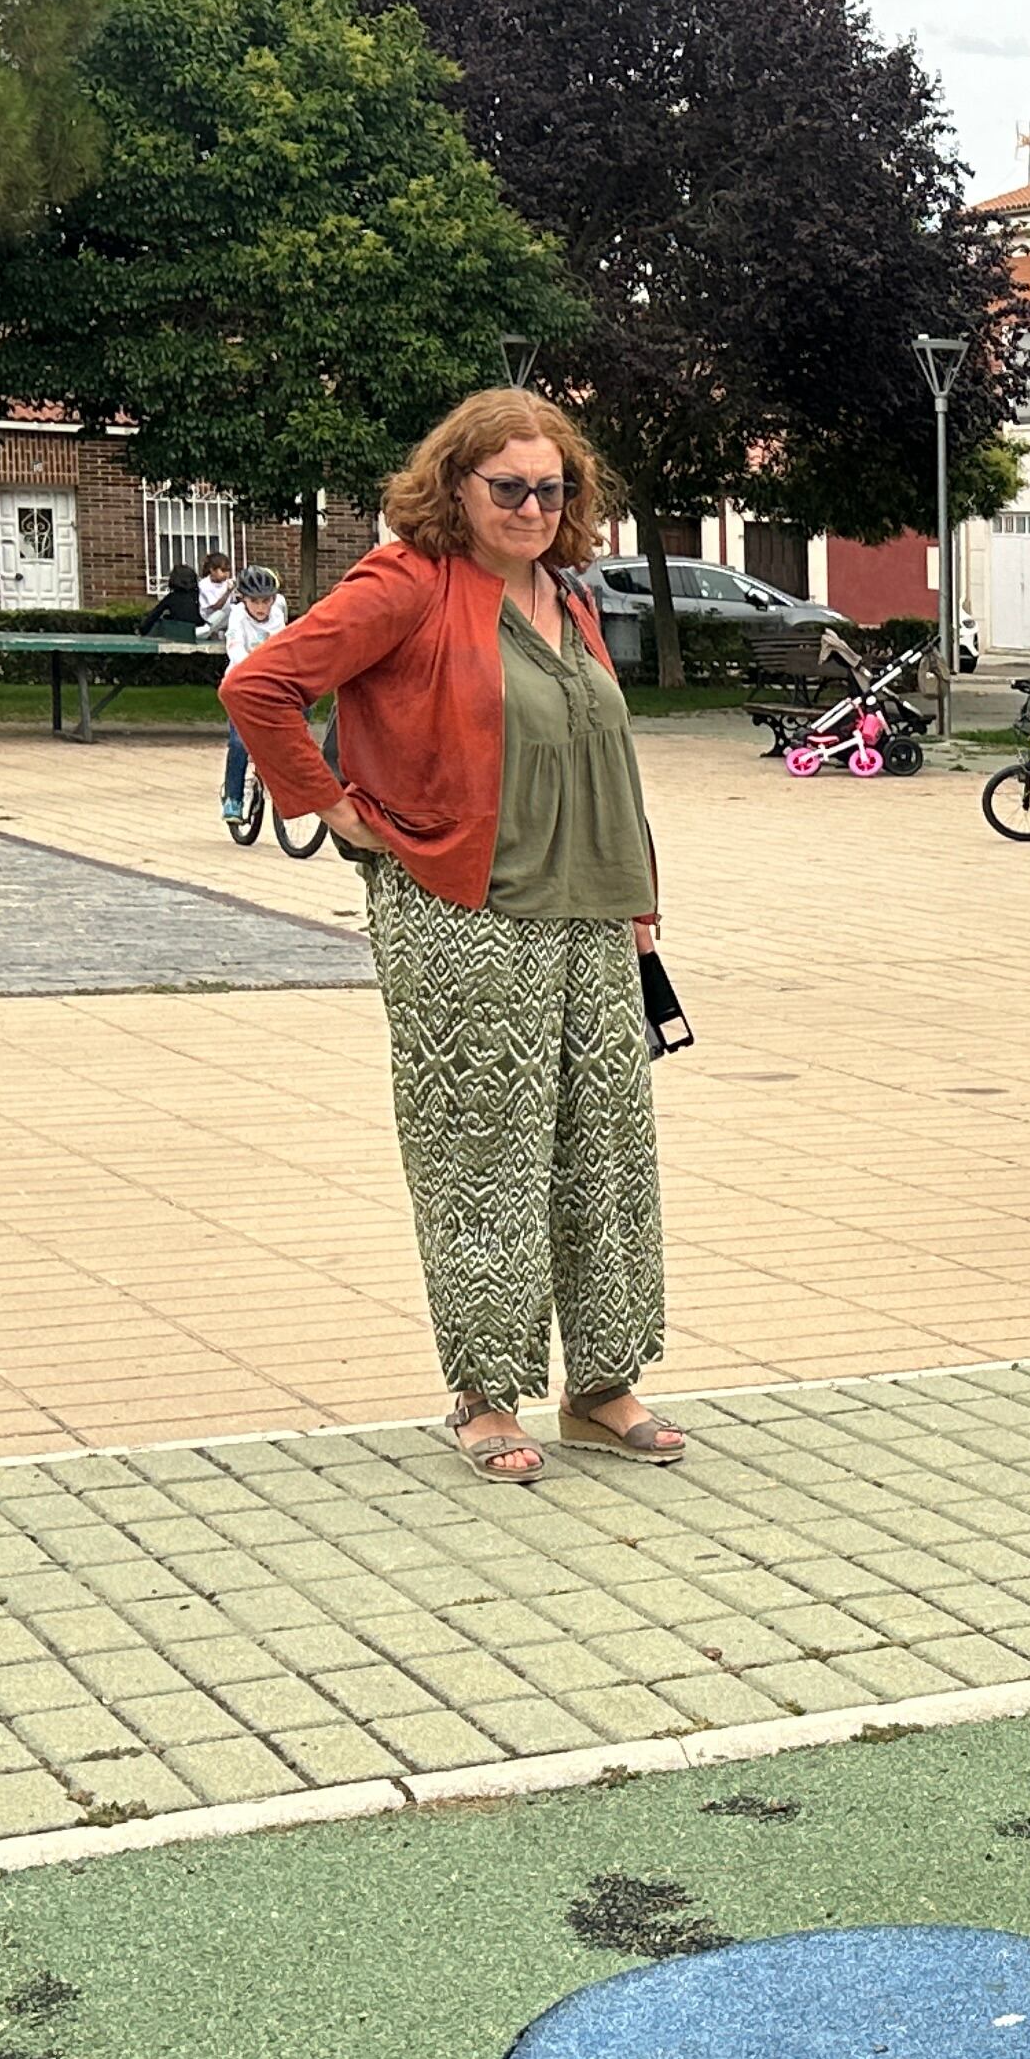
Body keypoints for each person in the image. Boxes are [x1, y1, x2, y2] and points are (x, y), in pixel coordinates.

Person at [222, 389, 681, 1485]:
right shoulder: (407, 585)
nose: (531, 505)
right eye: (508, 487)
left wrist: (641, 912)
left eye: (551, 488)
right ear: (456, 488)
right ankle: (484, 1394)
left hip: (590, 909)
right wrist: (334, 809)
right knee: (484, 1158)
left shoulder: (564, 597)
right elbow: (261, 684)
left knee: (604, 1151)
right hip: (462, 915)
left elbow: (592, 757)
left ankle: (601, 1385)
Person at [218, 567, 289, 825]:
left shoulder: (277, 614)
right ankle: (233, 798)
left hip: (268, 685)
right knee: (240, 743)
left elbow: (281, 647)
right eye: (255, 601)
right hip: (241, 684)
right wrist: (254, 670)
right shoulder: (237, 616)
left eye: (266, 601)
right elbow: (235, 648)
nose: (261, 607)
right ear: (243, 599)